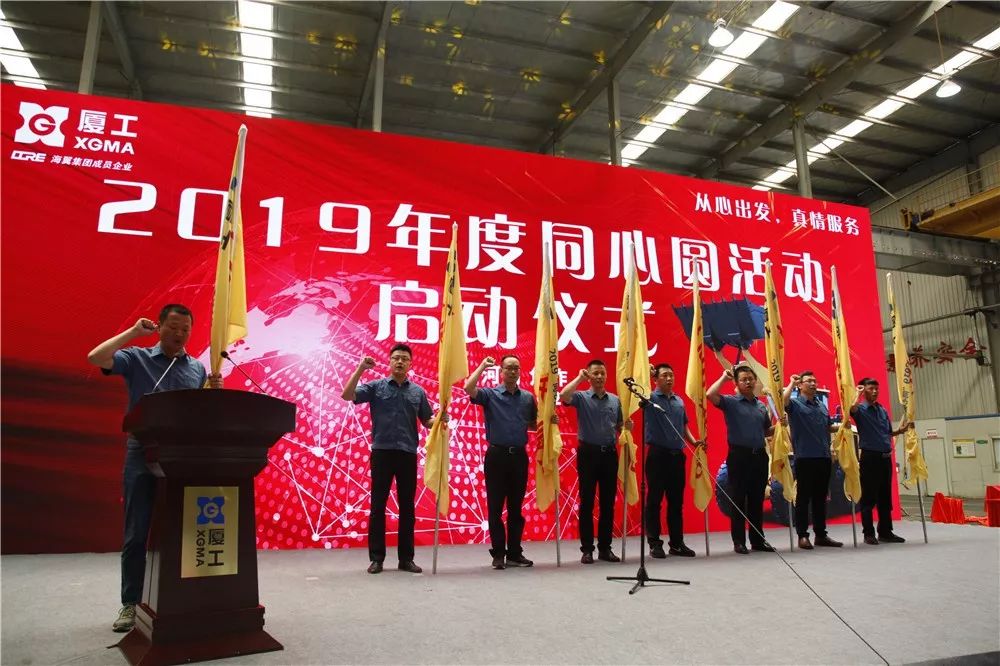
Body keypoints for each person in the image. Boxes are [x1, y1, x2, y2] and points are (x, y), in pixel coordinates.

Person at [87, 304, 222, 632]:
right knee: (137, 532)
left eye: (185, 329)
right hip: (142, 453)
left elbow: (195, 414)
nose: (180, 334)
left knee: (181, 533)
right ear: (159, 327)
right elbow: (96, 357)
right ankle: (130, 603)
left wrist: (212, 394)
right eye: (173, 327)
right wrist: (134, 332)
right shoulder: (137, 358)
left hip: (180, 456)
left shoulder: (196, 368)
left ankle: (179, 600)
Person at [342, 344, 439, 575]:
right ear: (389, 361)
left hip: (407, 454)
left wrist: (440, 419)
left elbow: (427, 421)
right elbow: (347, 395)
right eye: (396, 358)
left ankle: (406, 559)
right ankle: (377, 559)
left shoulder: (417, 392)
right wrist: (360, 369)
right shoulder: (376, 387)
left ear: (410, 364)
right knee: (378, 506)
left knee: (407, 508)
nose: (400, 362)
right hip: (382, 452)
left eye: (404, 359)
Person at [465, 355, 550, 570]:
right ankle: (498, 553)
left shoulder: (527, 398)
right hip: (496, 456)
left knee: (515, 508)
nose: (513, 371)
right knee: (495, 508)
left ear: (520, 372)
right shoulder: (490, 395)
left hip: (518, 457)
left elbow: (533, 424)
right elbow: (468, 388)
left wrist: (550, 422)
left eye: (516, 368)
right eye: (509, 368)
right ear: (501, 371)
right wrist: (482, 366)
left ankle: (514, 553)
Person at [559, 360, 623, 564]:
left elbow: (620, 425)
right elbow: (564, 395)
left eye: (602, 373)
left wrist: (626, 428)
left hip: (609, 455)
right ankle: (587, 549)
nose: (600, 376)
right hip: (588, 454)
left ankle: (605, 548)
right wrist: (579, 378)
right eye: (595, 373)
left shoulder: (615, 400)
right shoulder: (582, 397)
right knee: (587, 502)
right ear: (589, 376)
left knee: (607, 504)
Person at [708, 365, 776, 555]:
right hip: (739, 456)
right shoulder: (731, 402)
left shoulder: (761, 406)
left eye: (750, 379)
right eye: (744, 379)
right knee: (738, 499)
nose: (748, 382)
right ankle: (739, 541)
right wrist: (724, 377)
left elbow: (766, 431)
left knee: (756, 499)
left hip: (759, 456)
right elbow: (710, 395)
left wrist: (780, 426)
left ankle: (758, 540)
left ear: (755, 381)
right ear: (736, 383)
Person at [641, 363, 704, 558]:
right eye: (664, 375)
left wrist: (693, 441)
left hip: (677, 457)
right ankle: (654, 543)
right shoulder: (650, 398)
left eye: (671, 375)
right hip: (657, 456)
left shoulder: (679, 401)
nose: (669, 378)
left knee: (676, 503)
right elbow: (639, 389)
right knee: (654, 501)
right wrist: (646, 372)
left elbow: (683, 426)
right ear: (656, 379)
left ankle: (677, 543)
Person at [782, 371, 842, 550]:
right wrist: (791, 383)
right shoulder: (795, 404)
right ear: (800, 385)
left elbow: (827, 427)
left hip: (824, 457)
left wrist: (842, 426)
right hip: (805, 457)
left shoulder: (821, 406)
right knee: (803, 499)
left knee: (820, 499)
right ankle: (802, 535)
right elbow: (782, 401)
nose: (813, 383)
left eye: (815, 381)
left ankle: (821, 535)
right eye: (809, 381)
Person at [850, 377, 910, 545]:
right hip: (870, 458)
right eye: (871, 388)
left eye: (876, 388)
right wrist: (857, 394)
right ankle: (868, 533)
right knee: (868, 498)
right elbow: (851, 410)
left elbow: (887, 433)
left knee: (885, 497)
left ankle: (885, 532)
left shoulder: (882, 410)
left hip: (885, 458)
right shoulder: (860, 409)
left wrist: (900, 431)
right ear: (864, 390)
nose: (875, 391)